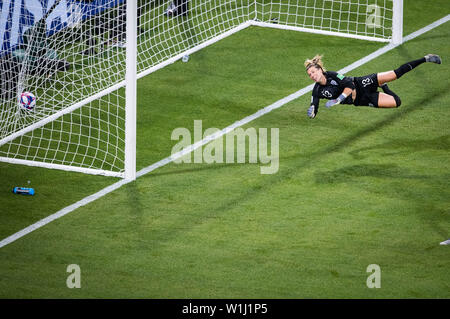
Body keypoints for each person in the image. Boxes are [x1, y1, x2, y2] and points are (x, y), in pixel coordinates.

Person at [305, 54, 442, 118]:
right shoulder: (317, 90)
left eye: (313, 72)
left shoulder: (333, 75)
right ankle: (385, 86)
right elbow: (314, 106)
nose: (312, 75)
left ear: (320, 70)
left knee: (395, 73)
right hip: (361, 100)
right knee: (397, 102)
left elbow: (349, 85)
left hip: (361, 84)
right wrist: (312, 112)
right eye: (309, 75)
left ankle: (425, 59)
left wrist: (339, 99)